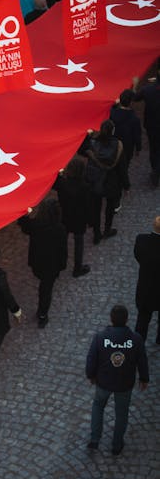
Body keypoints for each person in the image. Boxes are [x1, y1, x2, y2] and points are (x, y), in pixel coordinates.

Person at [86, 304, 149, 455]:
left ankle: (95, 439)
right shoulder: (136, 339)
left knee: (98, 406)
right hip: (124, 383)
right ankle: (117, 444)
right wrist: (144, 378)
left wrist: (91, 375)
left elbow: (91, 358)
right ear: (127, 320)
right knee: (121, 413)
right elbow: (142, 360)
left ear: (111, 319)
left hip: (104, 381)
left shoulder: (100, 337)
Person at [18, 198, 68, 328]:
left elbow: (25, 226)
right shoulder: (60, 229)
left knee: (44, 286)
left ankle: (42, 313)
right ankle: (42, 314)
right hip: (52, 265)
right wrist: (62, 265)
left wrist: (24, 214)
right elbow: (63, 249)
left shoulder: (36, 225)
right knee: (46, 290)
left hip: (37, 262)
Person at [85, 119, 130, 243]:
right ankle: (107, 229)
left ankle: (96, 234)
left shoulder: (93, 144)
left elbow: (82, 150)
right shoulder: (118, 146)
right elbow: (122, 169)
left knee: (96, 208)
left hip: (95, 181)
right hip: (112, 182)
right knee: (110, 209)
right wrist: (126, 186)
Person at [54, 157, 91, 277]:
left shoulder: (62, 183)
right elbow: (87, 205)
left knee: (61, 242)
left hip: (64, 216)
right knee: (78, 243)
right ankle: (77, 268)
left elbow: (54, 179)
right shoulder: (84, 186)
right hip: (79, 218)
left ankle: (59, 265)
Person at [133, 216, 160, 345]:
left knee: (143, 319)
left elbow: (138, 256)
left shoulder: (141, 240)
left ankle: (138, 344)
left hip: (146, 288)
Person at [133, 62, 160, 186]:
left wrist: (135, 85)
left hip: (152, 125)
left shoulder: (147, 89)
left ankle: (155, 172)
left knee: (154, 149)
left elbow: (135, 98)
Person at [110, 89, 141, 168]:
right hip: (128, 147)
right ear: (131, 103)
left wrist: (114, 104)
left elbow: (111, 109)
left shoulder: (113, 113)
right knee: (125, 166)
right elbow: (137, 135)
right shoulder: (135, 119)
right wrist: (138, 148)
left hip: (114, 145)